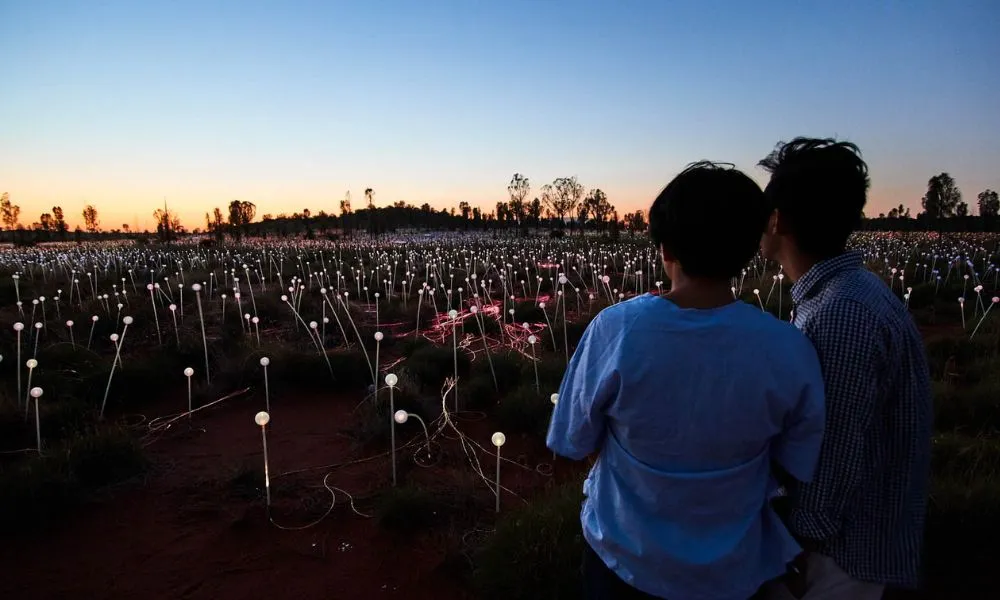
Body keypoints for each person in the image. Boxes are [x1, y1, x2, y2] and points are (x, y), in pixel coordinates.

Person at [546, 161, 828, 600]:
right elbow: (795, 462)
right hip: (734, 574)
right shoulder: (789, 349)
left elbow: (573, 441)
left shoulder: (616, 330)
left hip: (623, 564)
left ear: (666, 250)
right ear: (751, 247)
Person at [755, 138, 933, 599]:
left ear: (776, 219)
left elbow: (833, 447)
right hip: (848, 543)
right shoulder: (847, 293)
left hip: (840, 554)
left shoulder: (842, 313)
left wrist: (799, 545)